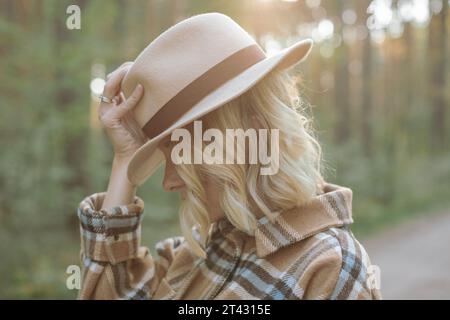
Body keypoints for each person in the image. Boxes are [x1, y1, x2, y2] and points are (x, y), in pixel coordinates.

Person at [77, 13, 382, 300]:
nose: (168, 182)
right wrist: (124, 160)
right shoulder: (195, 254)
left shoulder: (331, 269)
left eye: (179, 152)